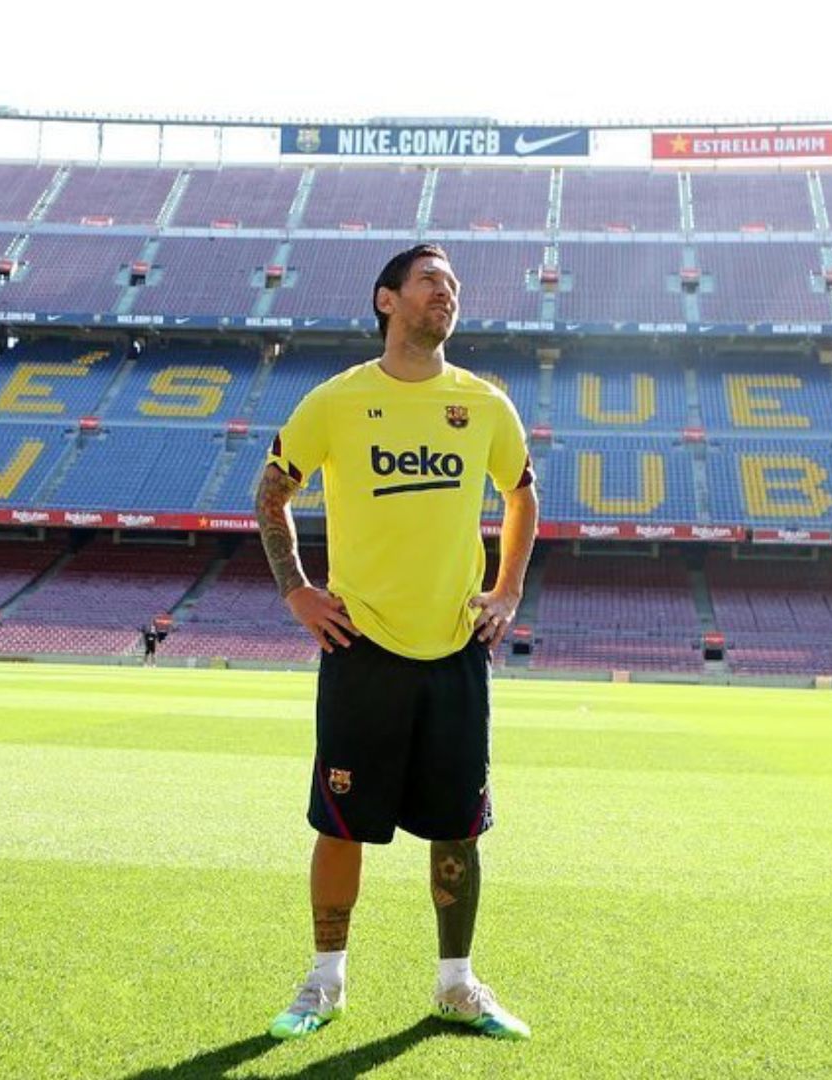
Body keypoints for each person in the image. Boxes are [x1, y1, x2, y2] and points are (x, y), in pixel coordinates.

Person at [255, 243, 539, 1041]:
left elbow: (522, 493)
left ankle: (457, 985)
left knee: (458, 825)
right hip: (362, 646)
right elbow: (272, 491)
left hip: (455, 648)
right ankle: (324, 983)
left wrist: (508, 590)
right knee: (340, 824)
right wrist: (297, 590)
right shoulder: (337, 402)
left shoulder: (483, 404)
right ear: (387, 300)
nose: (444, 294)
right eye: (428, 282)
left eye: (452, 285)